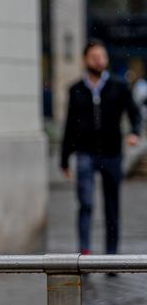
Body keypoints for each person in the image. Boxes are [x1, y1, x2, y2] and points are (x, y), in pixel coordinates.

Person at [60, 39, 142, 256]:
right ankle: (84, 254)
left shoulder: (118, 86)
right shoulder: (76, 90)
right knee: (85, 204)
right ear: (85, 60)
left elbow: (134, 113)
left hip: (112, 153)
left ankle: (111, 256)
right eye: (94, 57)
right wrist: (64, 159)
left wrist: (134, 132)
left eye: (102, 57)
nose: (99, 61)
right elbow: (69, 126)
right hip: (85, 154)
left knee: (112, 207)